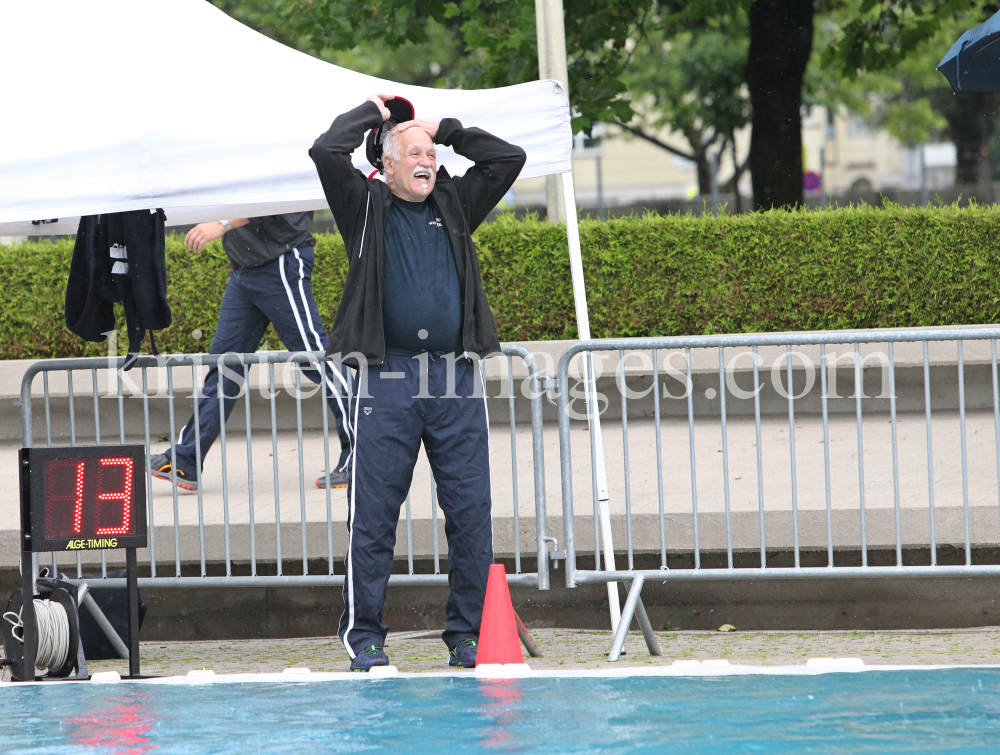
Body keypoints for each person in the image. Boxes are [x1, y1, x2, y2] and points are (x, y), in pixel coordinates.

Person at [309, 94, 526, 671]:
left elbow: (508, 159)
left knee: (470, 512)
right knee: (375, 514)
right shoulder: (363, 205)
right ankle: (363, 635)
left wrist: (445, 128)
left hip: (455, 376)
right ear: (387, 162)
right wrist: (373, 113)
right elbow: (326, 149)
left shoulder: (454, 202)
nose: (428, 159)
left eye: (432, 153)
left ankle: (468, 633)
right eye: (415, 152)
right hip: (389, 376)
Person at [149, 213, 353, 491]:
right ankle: (186, 459)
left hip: (281, 260)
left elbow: (270, 196)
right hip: (245, 270)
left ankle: (362, 455)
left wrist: (221, 224)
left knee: (316, 359)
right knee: (224, 369)